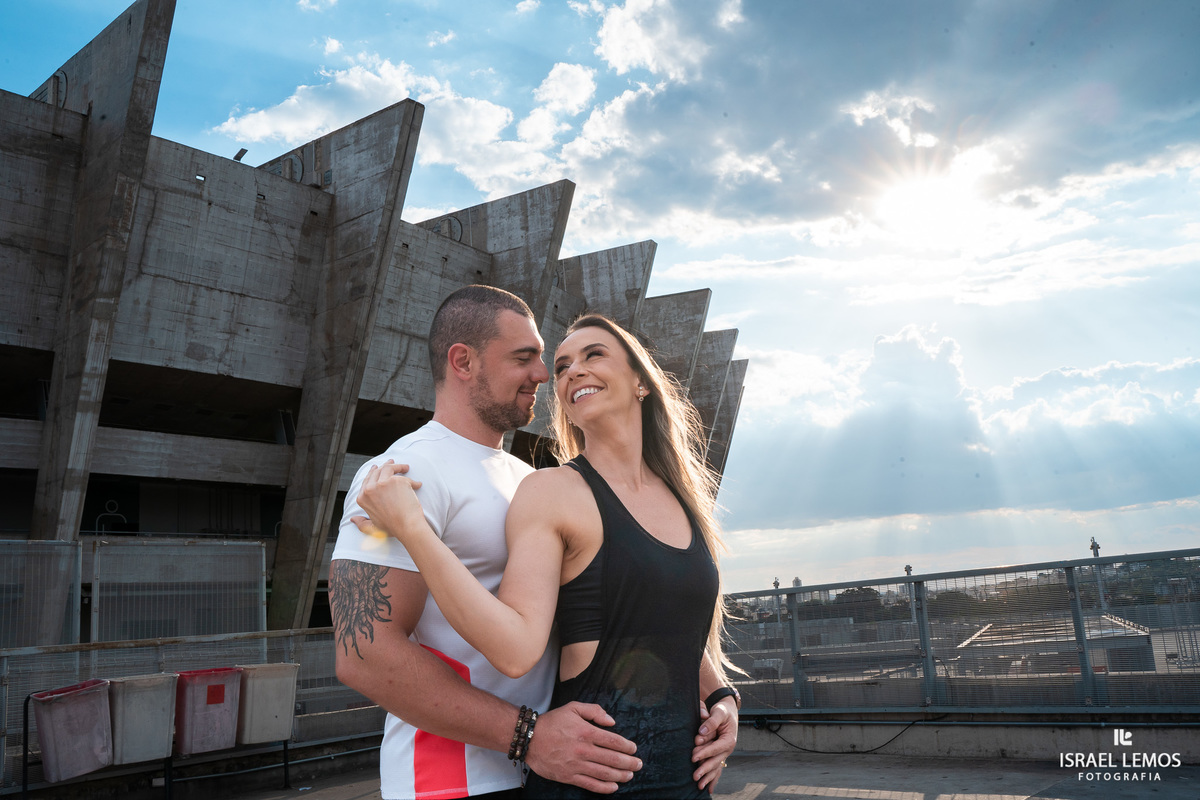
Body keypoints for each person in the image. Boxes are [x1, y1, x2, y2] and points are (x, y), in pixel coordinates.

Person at [329, 287, 732, 800]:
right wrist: (527, 736)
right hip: (455, 782)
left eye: (546, 361)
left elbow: (634, 604)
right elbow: (363, 652)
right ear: (463, 361)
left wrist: (718, 694)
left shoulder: (529, 479)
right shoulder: (402, 475)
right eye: (526, 358)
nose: (544, 375)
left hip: (560, 763)